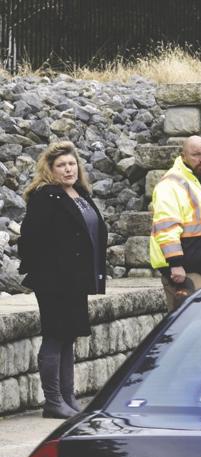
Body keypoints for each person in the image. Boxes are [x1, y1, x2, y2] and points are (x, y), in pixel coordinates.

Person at [17, 141, 106, 418]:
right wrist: (49, 271)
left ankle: (69, 397)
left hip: (76, 279)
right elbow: (30, 239)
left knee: (68, 337)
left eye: (71, 164)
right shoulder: (46, 197)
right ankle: (53, 401)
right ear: (50, 169)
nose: (68, 169)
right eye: (61, 165)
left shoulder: (79, 193)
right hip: (54, 280)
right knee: (55, 336)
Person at [150, 135, 201, 310]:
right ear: (183, 156)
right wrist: (175, 264)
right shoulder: (171, 184)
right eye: (196, 155)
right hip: (185, 271)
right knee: (186, 327)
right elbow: (166, 227)